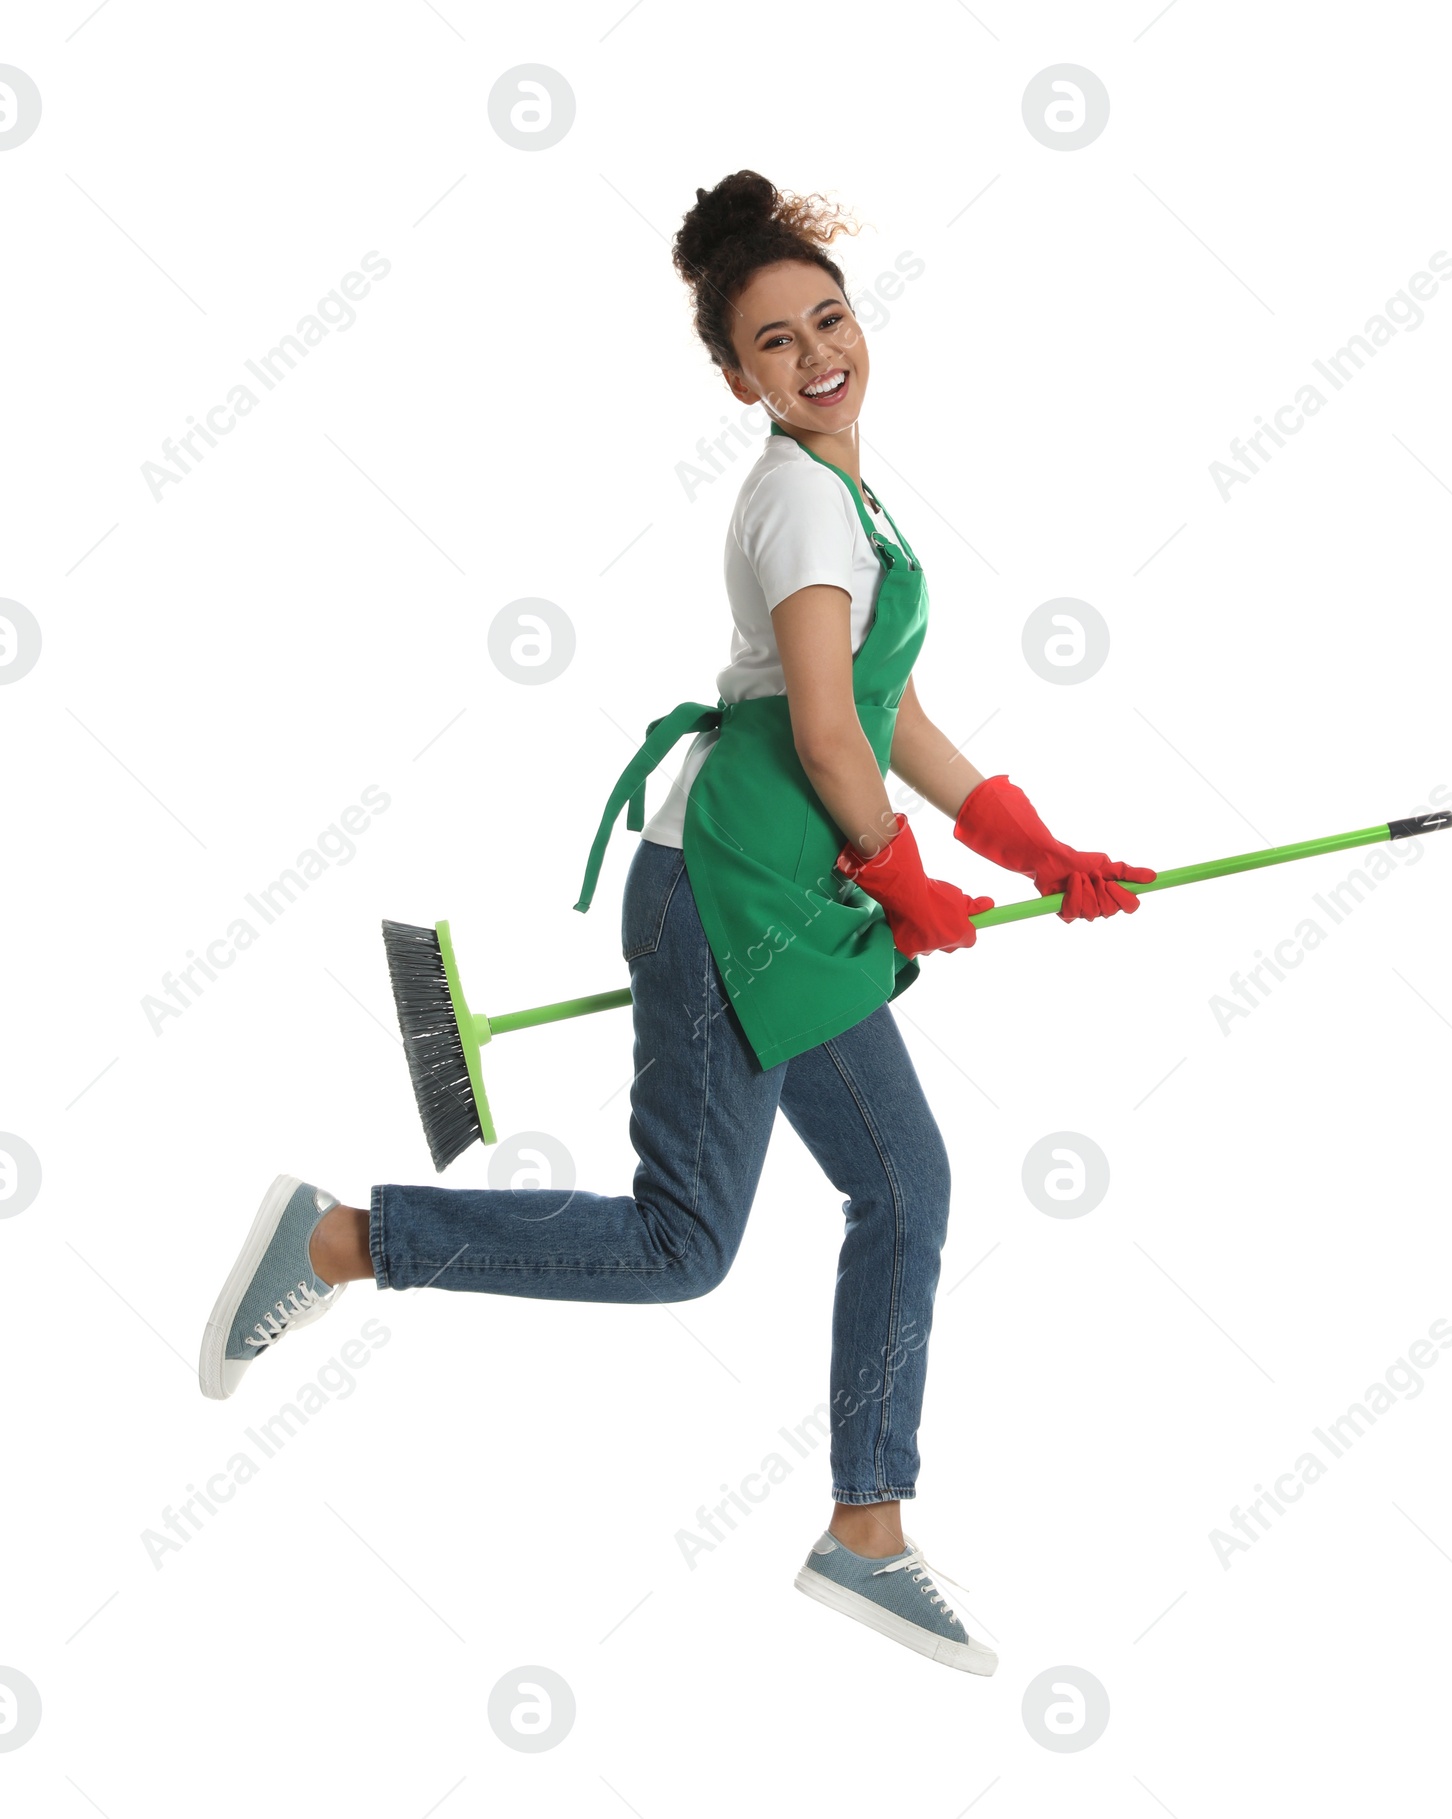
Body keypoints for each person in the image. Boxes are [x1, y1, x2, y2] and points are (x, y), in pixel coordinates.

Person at [198, 170, 1155, 1676]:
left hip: (786, 887)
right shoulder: (793, 499)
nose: (818, 352)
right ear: (734, 377)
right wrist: (904, 878)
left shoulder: (844, 491)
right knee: (679, 1246)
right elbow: (834, 744)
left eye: (830, 318)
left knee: (901, 1185)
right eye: (776, 342)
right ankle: (339, 1239)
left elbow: (883, 716)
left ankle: (866, 1531)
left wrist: (1027, 843)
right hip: (729, 893)